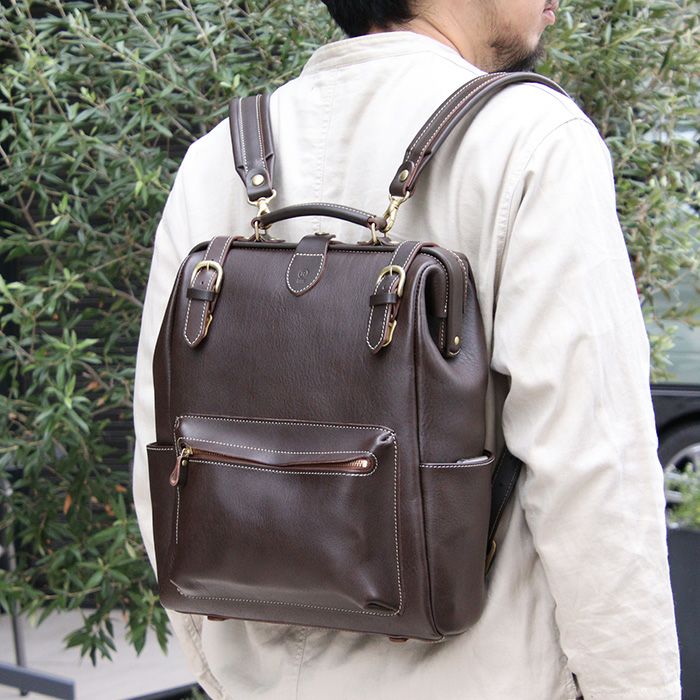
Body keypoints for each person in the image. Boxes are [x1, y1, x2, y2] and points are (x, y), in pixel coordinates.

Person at [132, 1, 682, 698]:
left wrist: (221, 672)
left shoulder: (218, 156)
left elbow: (158, 444)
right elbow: (596, 469)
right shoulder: (532, 140)